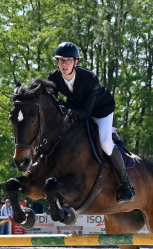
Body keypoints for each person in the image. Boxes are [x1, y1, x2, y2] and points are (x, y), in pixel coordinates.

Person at [47, 41, 135, 203]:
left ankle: (127, 185)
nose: (64, 64)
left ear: (76, 62)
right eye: (61, 60)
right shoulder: (53, 77)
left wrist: (68, 111)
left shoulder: (89, 78)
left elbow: (87, 112)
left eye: (68, 60)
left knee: (106, 143)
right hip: (75, 108)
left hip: (101, 110)